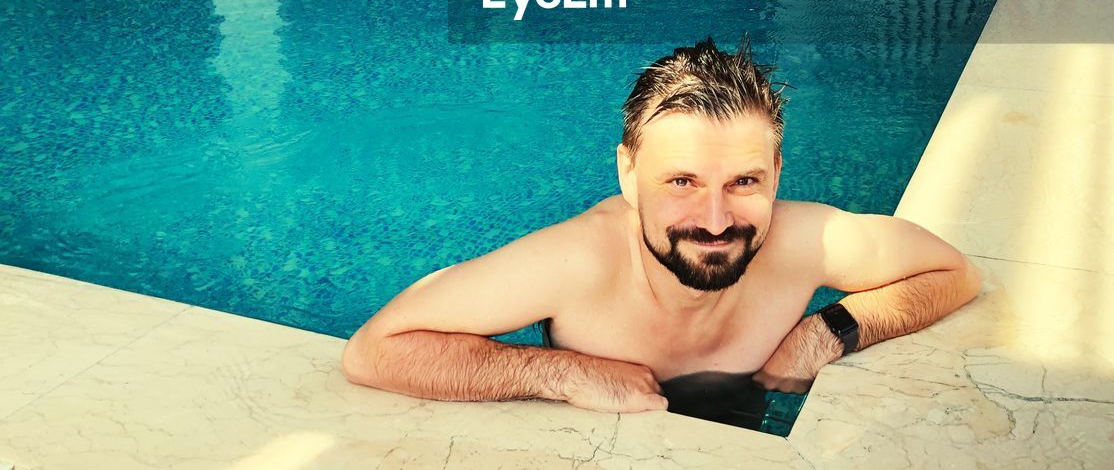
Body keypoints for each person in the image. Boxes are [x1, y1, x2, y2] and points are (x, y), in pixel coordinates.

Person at [341, 37, 981, 420]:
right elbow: (375, 350)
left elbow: (955, 272)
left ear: (778, 174)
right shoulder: (578, 264)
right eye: (681, 183)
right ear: (627, 174)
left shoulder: (804, 242)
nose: (715, 220)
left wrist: (828, 332)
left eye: (744, 182)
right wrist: (562, 373)